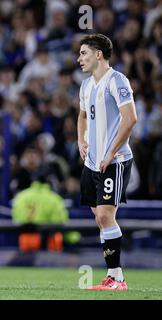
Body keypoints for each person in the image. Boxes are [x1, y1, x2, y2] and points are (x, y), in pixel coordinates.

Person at [77, 34, 137, 291]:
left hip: (114, 160)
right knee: (99, 218)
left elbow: (130, 118)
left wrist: (111, 152)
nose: (79, 59)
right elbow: (81, 115)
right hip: (92, 163)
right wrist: (80, 140)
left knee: (105, 215)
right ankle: (113, 276)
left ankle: (117, 278)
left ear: (98, 54)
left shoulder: (117, 80)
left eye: (84, 53)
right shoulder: (86, 85)